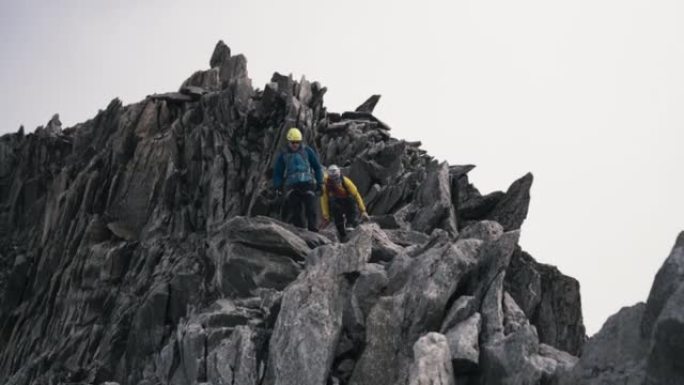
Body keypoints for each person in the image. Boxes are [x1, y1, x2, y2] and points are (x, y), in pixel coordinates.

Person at [272, 127, 324, 231]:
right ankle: (301, 231)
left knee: (311, 207)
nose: (295, 144)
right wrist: (277, 186)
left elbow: (317, 167)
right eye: (293, 142)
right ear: (288, 142)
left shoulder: (307, 151)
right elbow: (278, 172)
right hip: (292, 185)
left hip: (307, 183)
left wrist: (320, 182)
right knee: (296, 210)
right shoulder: (283, 155)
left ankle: (313, 230)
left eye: (297, 142)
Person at [320, 165, 370, 240]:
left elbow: (356, 195)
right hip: (335, 201)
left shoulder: (346, 182)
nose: (335, 181)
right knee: (336, 212)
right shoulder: (326, 185)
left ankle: (350, 224)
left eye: (336, 178)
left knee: (352, 208)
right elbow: (324, 200)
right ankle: (341, 234)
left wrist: (363, 211)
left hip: (347, 199)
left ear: (339, 174)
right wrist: (326, 216)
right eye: (333, 179)